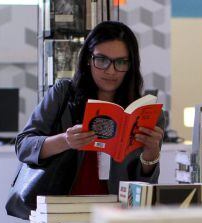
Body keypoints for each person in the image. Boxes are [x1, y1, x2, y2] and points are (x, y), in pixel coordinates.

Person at [16, 21, 163, 196]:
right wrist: (65, 140)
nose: (110, 71)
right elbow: (23, 146)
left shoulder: (145, 112)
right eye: (101, 60)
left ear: (131, 65)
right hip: (62, 209)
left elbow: (145, 187)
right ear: (88, 59)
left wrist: (151, 155)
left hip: (116, 212)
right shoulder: (63, 94)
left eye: (121, 62)